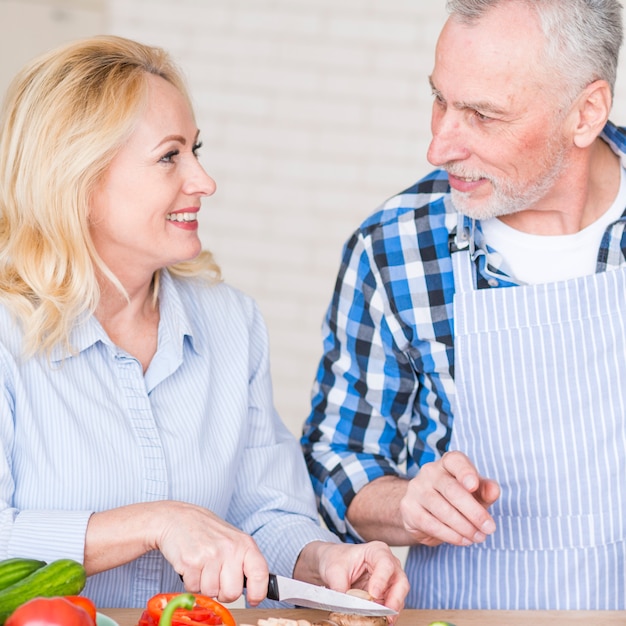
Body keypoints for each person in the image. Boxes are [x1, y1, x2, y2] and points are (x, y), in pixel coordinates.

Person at [0, 35, 410, 613]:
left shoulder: (231, 323)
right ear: (80, 179)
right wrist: (156, 523)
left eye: (196, 150)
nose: (203, 180)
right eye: (170, 156)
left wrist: (322, 560)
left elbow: (267, 511)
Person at [301, 0, 626, 611]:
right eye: (440, 100)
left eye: (482, 114)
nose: (439, 145)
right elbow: (332, 460)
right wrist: (404, 505)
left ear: (586, 113)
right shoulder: (394, 249)